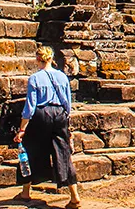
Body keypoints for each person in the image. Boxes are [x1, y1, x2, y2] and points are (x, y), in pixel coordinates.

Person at [14, 46, 80, 208]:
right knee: (63, 153)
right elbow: (67, 104)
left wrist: (22, 129)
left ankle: (26, 192)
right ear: (51, 58)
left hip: (41, 115)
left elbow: (30, 106)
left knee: (30, 150)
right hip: (60, 114)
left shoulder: (35, 78)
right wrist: (65, 122)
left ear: (38, 59)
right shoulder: (62, 77)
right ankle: (74, 196)